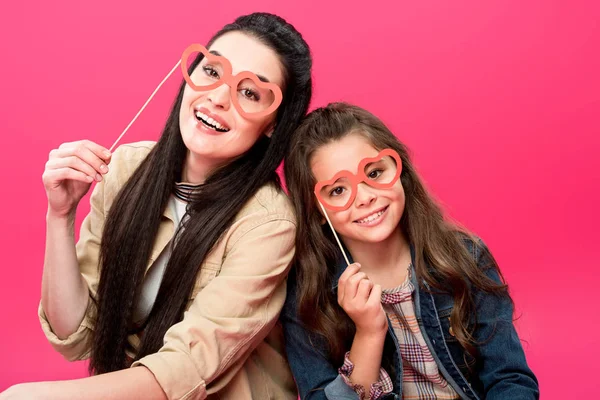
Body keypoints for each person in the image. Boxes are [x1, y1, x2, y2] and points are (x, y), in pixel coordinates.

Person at [1, 12, 312, 400]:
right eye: (212, 71)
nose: (218, 98)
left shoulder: (268, 224)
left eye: (250, 93)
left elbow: (183, 370)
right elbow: (75, 335)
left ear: (272, 124)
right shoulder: (128, 168)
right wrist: (60, 216)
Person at [281, 102, 539, 399]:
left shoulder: (465, 257)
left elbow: (509, 379)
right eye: (338, 190)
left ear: (399, 169)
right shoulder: (306, 296)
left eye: (375, 173)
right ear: (316, 210)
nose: (364, 197)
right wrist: (368, 332)